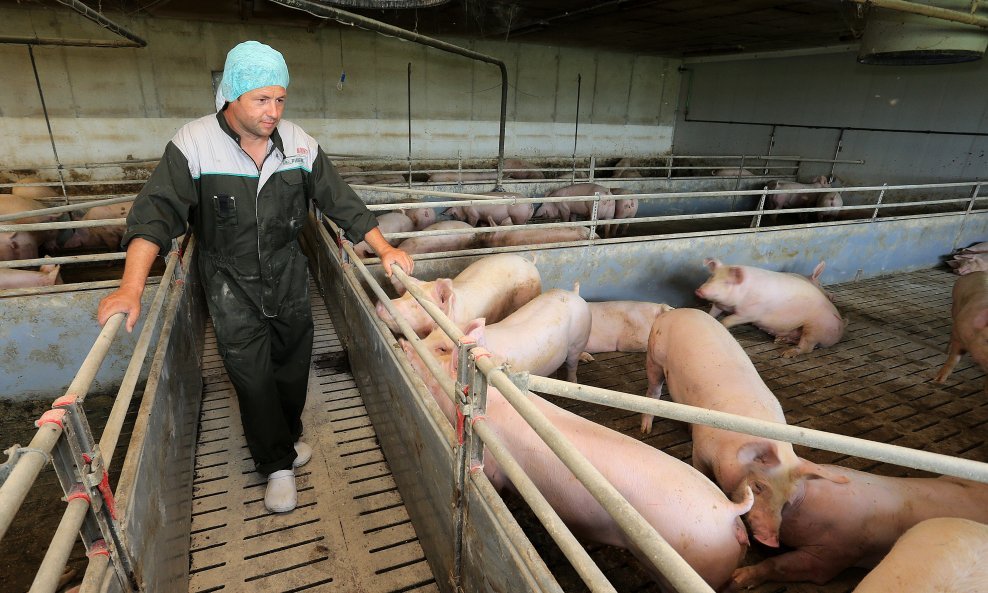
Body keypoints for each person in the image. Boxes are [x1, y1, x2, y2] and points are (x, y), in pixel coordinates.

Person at [97, 41, 414, 513]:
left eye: (280, 99)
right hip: (231, 284)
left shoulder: (300, 144)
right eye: (261, 100)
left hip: (288, 277)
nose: (273, 111)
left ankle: (285, 442)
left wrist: (385, 247)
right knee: (252, 377)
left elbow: (339, 200)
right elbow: (154, 217)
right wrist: (131, 286)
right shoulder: (194, 143)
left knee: (292, 367)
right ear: (232, 94)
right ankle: (276, 465)